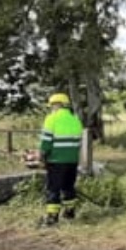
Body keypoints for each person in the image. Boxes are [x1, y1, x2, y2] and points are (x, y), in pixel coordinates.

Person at [38, 92, 84, 226]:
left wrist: (42, 156)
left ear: (56, 105)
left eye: (52, 105)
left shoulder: (51, 118)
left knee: (53, 188)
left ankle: (52, 217)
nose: (52, 108)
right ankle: (70, 212)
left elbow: (46, 141)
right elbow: (78, 141)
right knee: (69, 186)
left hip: (56, 160)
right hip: (72, 160)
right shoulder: (75, 119)